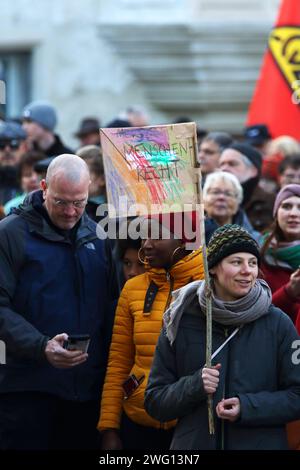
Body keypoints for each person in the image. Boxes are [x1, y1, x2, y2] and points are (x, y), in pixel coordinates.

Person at [0, 154, 118, 450]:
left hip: (86, 391)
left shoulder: (100, 235)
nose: (70, 212)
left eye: (78, 202)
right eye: (61, 202)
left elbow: (110, 307)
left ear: (89, 190)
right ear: (43, 188)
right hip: (27, 387)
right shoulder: (11, 234)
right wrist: (41, 346)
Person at [145, 224, 300, 450]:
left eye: (253, 263)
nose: (247, 271)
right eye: (236, 262)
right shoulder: (181, 319)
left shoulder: (278, 323)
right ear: (214, 268)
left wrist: (247, 407)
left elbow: (297, 396)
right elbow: (154, 401)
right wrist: (194, 386)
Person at [98, 212, 204, 450]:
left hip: (191, 422)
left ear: (184, 239)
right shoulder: (132, 289)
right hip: (138, 419)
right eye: (144, 235)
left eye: (157, 236)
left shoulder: (209, 286)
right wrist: (110, 427)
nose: (146, 245)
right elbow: (118, 362)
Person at [261, 184, 300, 329]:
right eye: (287, 206)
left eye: (299, 207)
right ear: (276, 213)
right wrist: (289, 292)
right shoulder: (258, 256)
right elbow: (256, 313)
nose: (293, 213)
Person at [203, 171, 260, 243]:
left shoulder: (255, 239)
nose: (221, 197)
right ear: (203, 199)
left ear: (238, 202)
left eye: (228, 194)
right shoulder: (192, 236)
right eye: (215, 192)